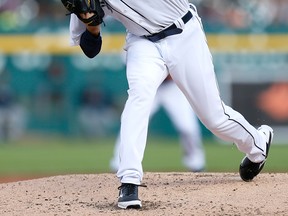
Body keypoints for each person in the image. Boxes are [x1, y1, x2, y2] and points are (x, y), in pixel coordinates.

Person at [63, 0, 274, 209]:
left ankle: (257, 144)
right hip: (142, 42)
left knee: (214, 118)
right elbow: (91, 49)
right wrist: (92, 24)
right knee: (139, 98)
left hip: (183, 33)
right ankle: (129, 181)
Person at [110, 75, 205, 173]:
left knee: (187, 127)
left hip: (173, 86)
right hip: (147, 83)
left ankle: (195, 164)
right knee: (131, 123)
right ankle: (118, 163)